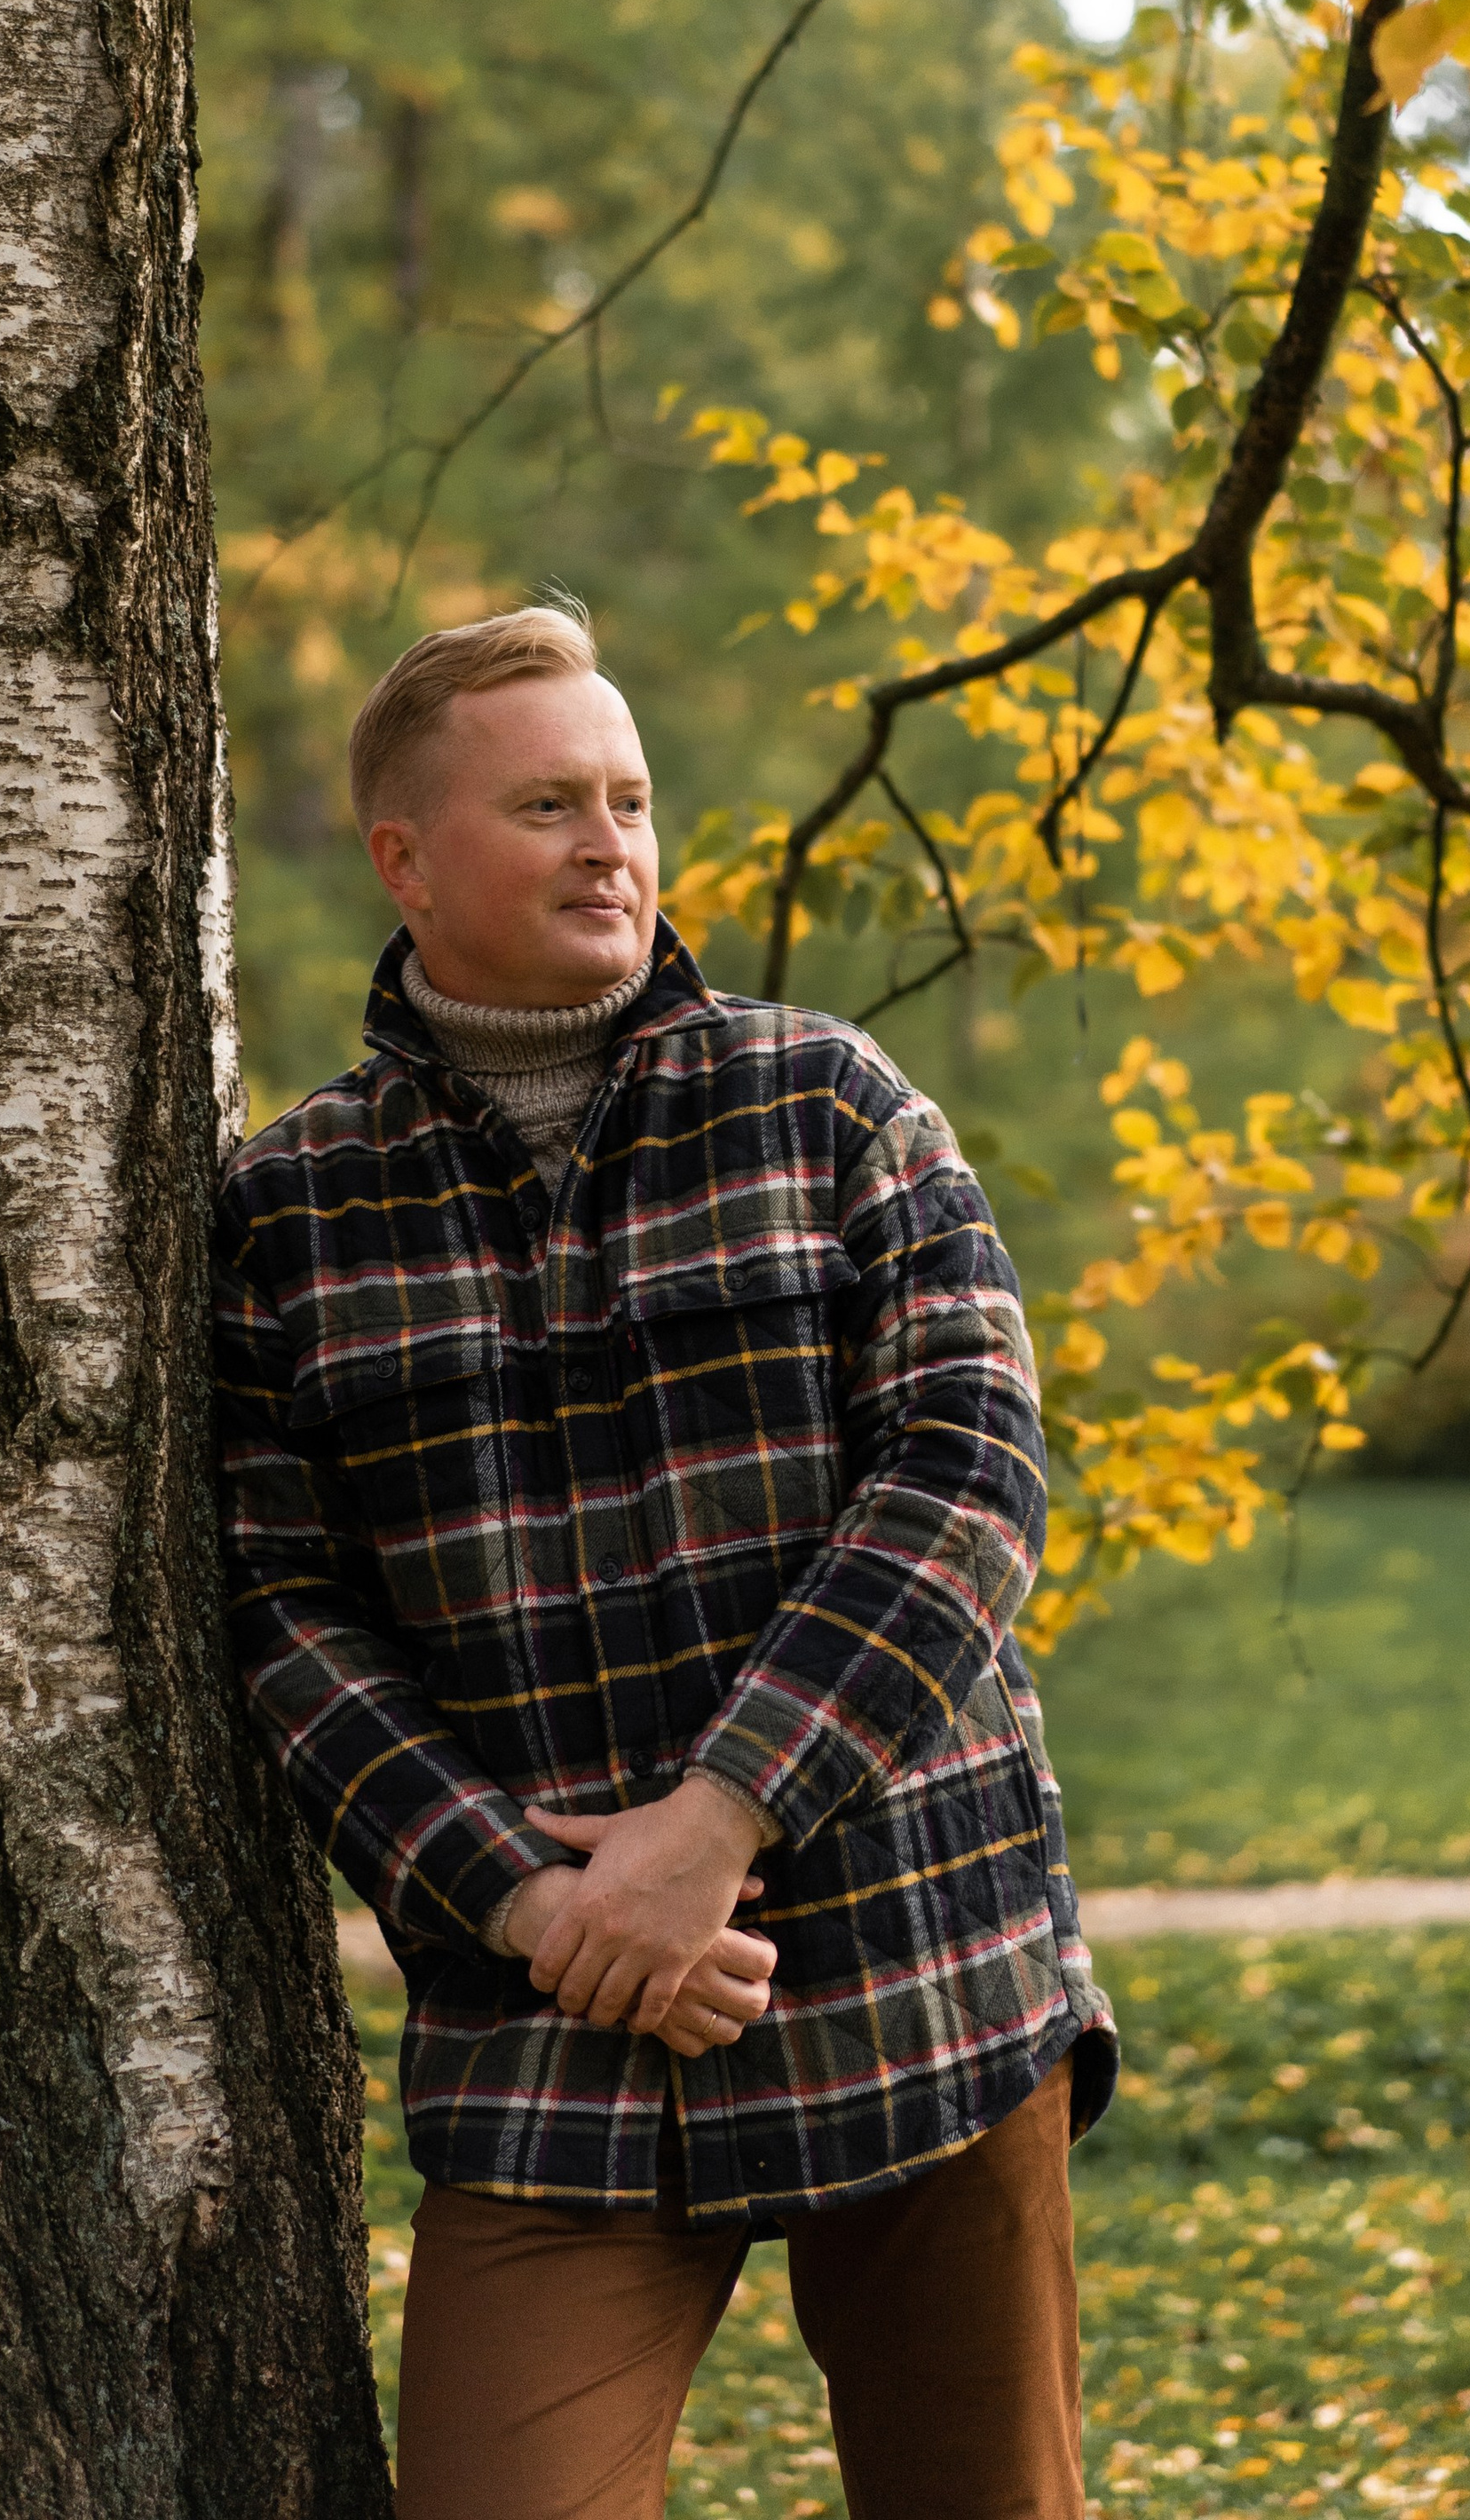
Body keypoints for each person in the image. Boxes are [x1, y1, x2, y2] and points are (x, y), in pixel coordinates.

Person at [214, 600, 1116, 2520]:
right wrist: (531, 1906)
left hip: (918, 1971)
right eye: (547, 803)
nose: (610, 840)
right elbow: (284, 1618)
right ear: (403, 858)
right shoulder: (290, 1210)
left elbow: (968, 1477)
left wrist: (715, 1819)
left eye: (626, 797)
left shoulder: (827, 1102)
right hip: (555, 2040)